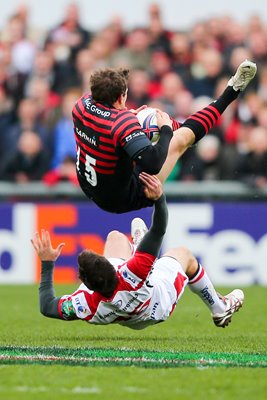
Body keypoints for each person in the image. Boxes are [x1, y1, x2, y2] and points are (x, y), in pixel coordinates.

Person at [32, 173, 244, 330]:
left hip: (126, 316)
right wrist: (159, 198)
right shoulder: (133, 272)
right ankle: (220, 308)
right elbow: (159, 229)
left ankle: (137, 249)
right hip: (157, 303)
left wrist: (47, 262)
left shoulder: (83, 303)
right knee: (184, 255)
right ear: (115, 268)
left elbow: (47, 306)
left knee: (115, 236)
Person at [72, 60, 257, 214]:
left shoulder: (81, 105)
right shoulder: (122, 124)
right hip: (120, 198)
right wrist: (167, 129)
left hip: (89, 184)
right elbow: (153, 162)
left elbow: (107, 124)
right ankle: (232, 91)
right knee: (181, 139)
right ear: (121, 98)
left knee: (142, 135)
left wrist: (129, 118)